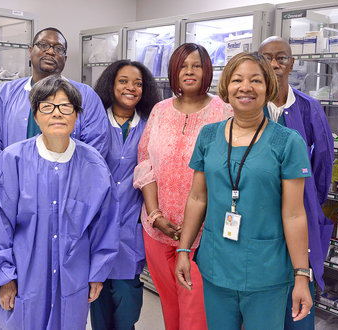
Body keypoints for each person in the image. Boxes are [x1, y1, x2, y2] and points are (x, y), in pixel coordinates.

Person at [0, 75, 119, 330]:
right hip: (24, 281)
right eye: (47, 107)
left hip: (73, 280)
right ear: (36, 116)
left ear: (77, 115)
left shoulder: (93, 165)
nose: (57, 114)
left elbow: (104, 226)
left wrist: (96, 274)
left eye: (65, 107)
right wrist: (3, 279)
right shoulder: (13, 161)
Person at [175, 52, 313, 329]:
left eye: (256, 80)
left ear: (268, 87)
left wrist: (301, 275)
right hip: (217, 264)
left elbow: (295, 214)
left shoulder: (287, 142)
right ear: (227, 87)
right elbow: (198, 197)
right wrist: (183, 249)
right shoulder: (209, 136)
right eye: (237, 79)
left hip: (267, 271)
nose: (245, 87)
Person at [133, 43, 232, 330]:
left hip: (202, 235)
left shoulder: (223, 112)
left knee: (195, 311)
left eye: (197, 65)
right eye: (183, 66)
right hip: (157, 229)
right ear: (174, 72)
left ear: (207, 71)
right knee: (170, 305)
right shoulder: (160, 111)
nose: (190, 71)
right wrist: (155, 215)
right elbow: (145, 164)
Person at [258, 36, 334, 329]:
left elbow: (323, 165)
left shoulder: (309, 108)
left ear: (292, 63)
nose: (275, 64)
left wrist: (307, 203)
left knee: (299, 290)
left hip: (300, 213)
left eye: (281, 57)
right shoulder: (250, 106)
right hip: (258, 216)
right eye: (267, 57)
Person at [0, 27, 109, 174]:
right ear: (30, 51)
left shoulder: (86, 95)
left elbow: (96, 145)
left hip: (66, 187)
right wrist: (9, 179)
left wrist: (68, 182)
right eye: (43, 45)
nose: (51, 51)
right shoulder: (5, 93)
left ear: (65, 59)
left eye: (58, 48)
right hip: (14, 185)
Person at [90, 60, 160, 330]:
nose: (131, 87)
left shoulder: (150, 125)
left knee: (127, 297)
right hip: (96, 225)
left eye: (138, 83)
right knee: (97, 294)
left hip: (131, 226)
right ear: (111, 84)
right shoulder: (94, 123)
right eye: (123, 81)